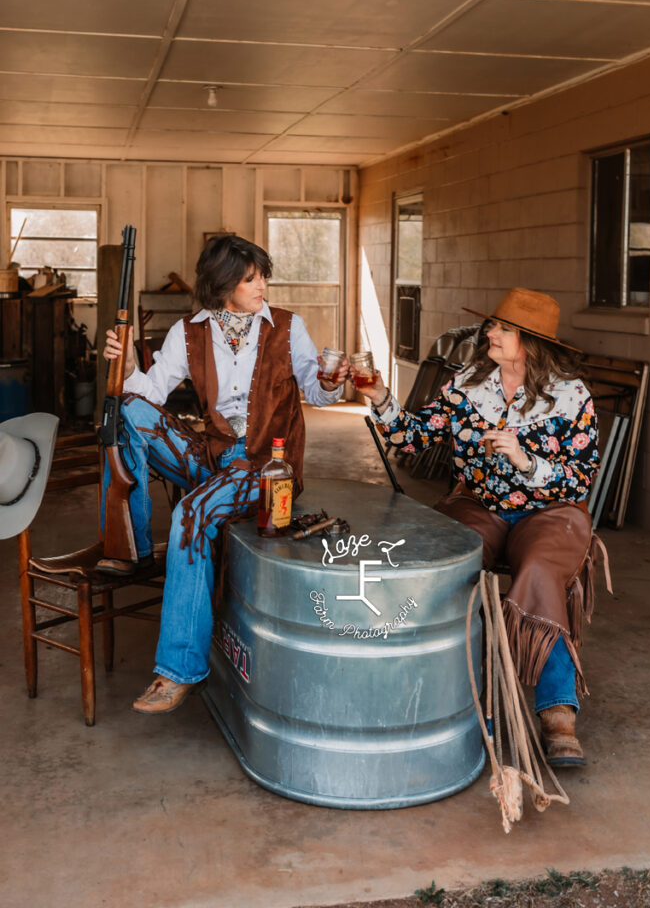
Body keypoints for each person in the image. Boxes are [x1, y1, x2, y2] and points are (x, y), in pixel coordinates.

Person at [358, 288, 606, 768]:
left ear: (529, 342)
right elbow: (412, 436)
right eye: (492, 325)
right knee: (448, 559)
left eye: (502, 328)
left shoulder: (572, 396)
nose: (489, 333)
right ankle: (450, 693)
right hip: (481, 503)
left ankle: (557, 714)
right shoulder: (468, 384)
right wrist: (380, 396)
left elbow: (580, 478)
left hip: (550, 509)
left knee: (537, 569)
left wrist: (524, 459)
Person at [101, 233, 347, 715]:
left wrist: (330, 382)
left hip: (265, 465)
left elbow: (317, 393)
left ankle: (177, 671)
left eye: (262, 276)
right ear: (222, 284)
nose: (262, 286)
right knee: (126, 408)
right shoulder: (189, 332)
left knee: (192, 513)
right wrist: (128, 362)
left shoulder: (288, 328)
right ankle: (127, 545)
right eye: (250, 278)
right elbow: (150, 392)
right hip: (213, 457)